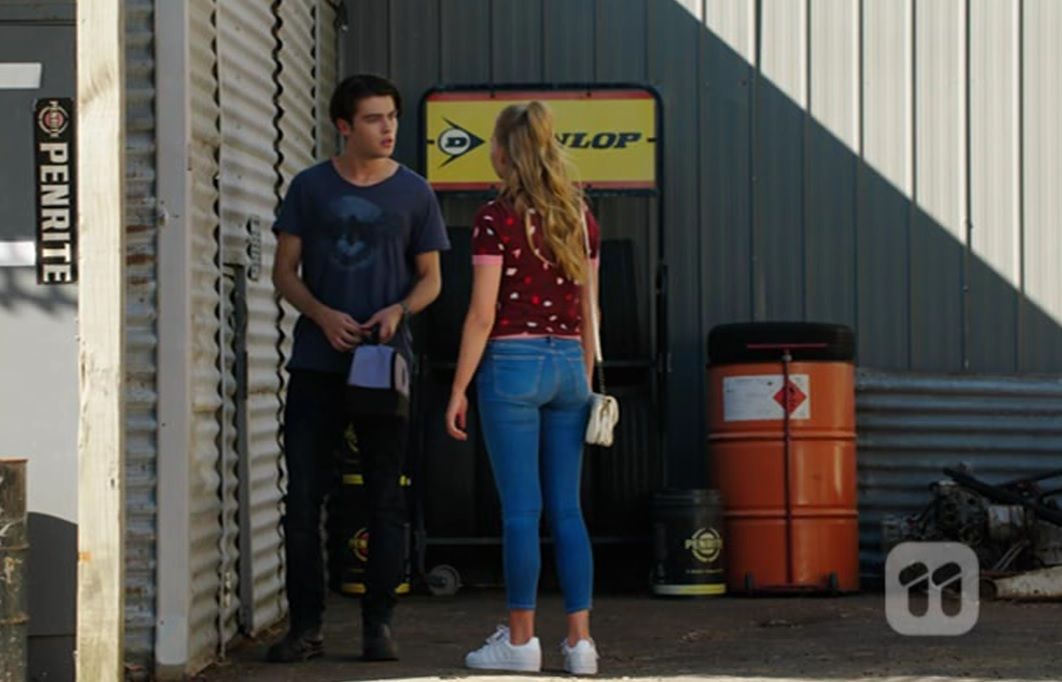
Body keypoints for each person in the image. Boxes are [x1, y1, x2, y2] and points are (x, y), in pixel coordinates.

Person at [268, 74, 449, 662]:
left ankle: (379, 625)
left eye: (392, 116)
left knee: (385, 497)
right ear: (344, 126)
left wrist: (399, 310)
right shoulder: (309, 187)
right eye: (374, 118)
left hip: (383, 367)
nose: (388, 128)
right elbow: (284, 272)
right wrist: (321, 315)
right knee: (304, 499)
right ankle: (306, 628)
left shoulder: (415, 192)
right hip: (317, 364)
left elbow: (432, 279)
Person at [445, 101, 601, 675]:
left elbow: (482, 314)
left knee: (520, 511)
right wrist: (584, 379)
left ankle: (521, 642)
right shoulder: (579, 216)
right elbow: (591, 310)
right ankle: (581, 645)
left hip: (512, 363)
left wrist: (459, 388)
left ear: (504, 152)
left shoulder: (494, 218)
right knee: (567, 510)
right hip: (568, 364)